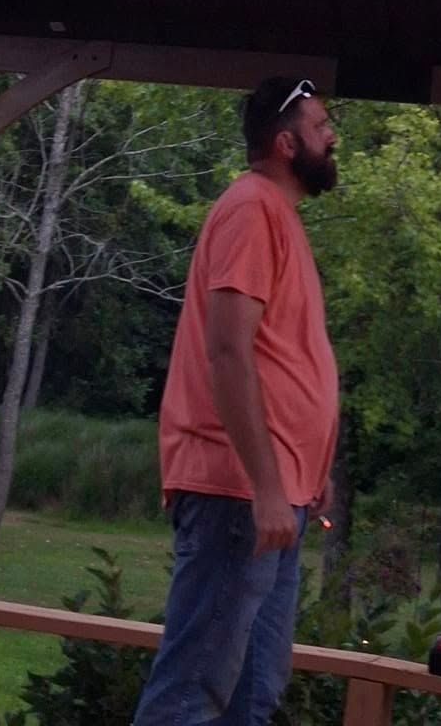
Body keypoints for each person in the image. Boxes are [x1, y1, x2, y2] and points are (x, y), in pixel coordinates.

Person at [133, 75, 340, 726]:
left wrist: (309, 475)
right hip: (240, 498)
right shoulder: (252, 208)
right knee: (191, 699)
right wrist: (267, 486)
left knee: (250, 703)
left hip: (276, 500)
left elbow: (282, 360)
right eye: (321, 126)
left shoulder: (280, 219)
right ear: (285, 144)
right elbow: (228, 351)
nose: (333, 137)